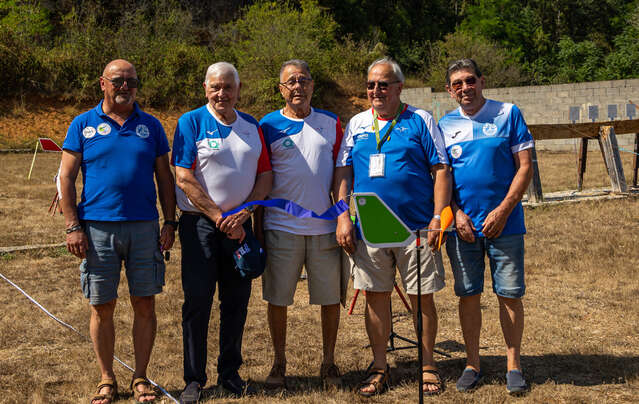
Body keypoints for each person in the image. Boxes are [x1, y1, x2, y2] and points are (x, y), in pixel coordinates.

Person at [59, 59, 176, 404]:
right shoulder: (82, 124)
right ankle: (107, 378)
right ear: (103, 84)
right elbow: (65, 177)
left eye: (132, 81)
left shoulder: (151, 126)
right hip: (96, 228)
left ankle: (140, 377)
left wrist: (169, 222)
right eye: (118, 81)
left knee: (144, 303)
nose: (126, 87)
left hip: (144, 227)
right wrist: (72, 226)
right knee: (102, 305)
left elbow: (165, 178)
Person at [333, 57, 452, 396]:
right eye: (371, 84)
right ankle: (380, 366)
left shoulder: (421, 120)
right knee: (376, 297)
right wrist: (343, 215)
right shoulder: (356, 124)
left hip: (416, 229)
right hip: (370, 229)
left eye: (384, 84)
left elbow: (441, 169)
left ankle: (427, 365)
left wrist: (436, 216)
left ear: (399, 87)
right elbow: (342, 173)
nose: (376, 90)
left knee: (421, 299)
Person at [172, 62, 273, 403]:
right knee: (197, 301)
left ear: (238, 90)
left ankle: (230, 374)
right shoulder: (191, 122)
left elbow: (265, 175)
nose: (221, 93)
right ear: (205, 89)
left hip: (239, 226)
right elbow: (183, 176)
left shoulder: (251, 126)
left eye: (228, 87)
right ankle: (194, 379)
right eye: (215, 87)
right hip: (200, 224)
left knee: (236, 302)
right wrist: (218, 217)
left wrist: (245, 212)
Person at [438, 58, 533, 395]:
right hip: (462, 228)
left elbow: (524, 167)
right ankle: (472, 363)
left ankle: (513, 365)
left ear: (481, 80)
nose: (465, 88)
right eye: (457, 84)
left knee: (509, 295)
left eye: (470, 81)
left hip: (505, 224)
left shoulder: (508, 113)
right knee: (469, 294)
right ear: (450, 90)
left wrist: (504, 210)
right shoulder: (443, 125)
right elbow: (441, 178)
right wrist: (455, 213)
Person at [257, 59, 345, 389]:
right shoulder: (266, 125)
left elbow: (341, 172)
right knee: (278, 299)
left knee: (329, 299)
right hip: (282, 227)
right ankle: (279, 362)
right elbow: (262, 176)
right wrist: (258, 229)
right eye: (290, 81)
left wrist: (342, 215)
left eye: (303, 80)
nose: (297, 86)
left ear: (312, 85)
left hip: (325, 228)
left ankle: (329, 362)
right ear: (281, 89)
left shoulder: (332, 122)